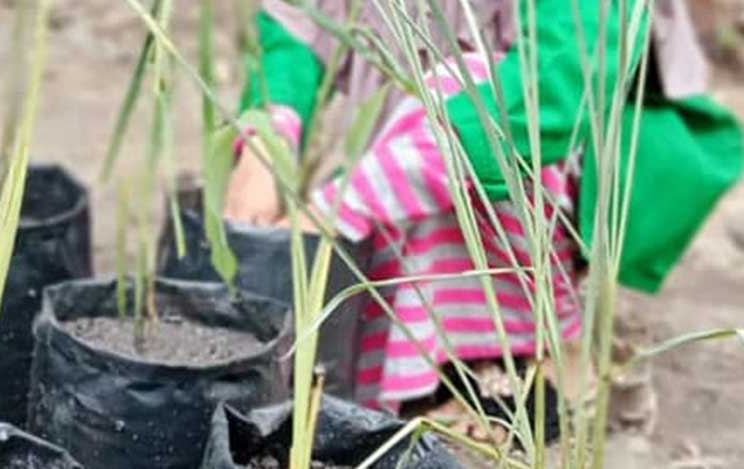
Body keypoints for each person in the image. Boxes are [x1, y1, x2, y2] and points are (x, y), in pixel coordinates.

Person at [226, 0, 743, 428]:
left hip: (552, 140)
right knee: (412, 150)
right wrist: (266, 144)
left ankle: (539, 359)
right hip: (424, 136)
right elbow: (295, 19)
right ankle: (440, 355)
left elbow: (553, 90)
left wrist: (343, 207)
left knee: (458, 89)